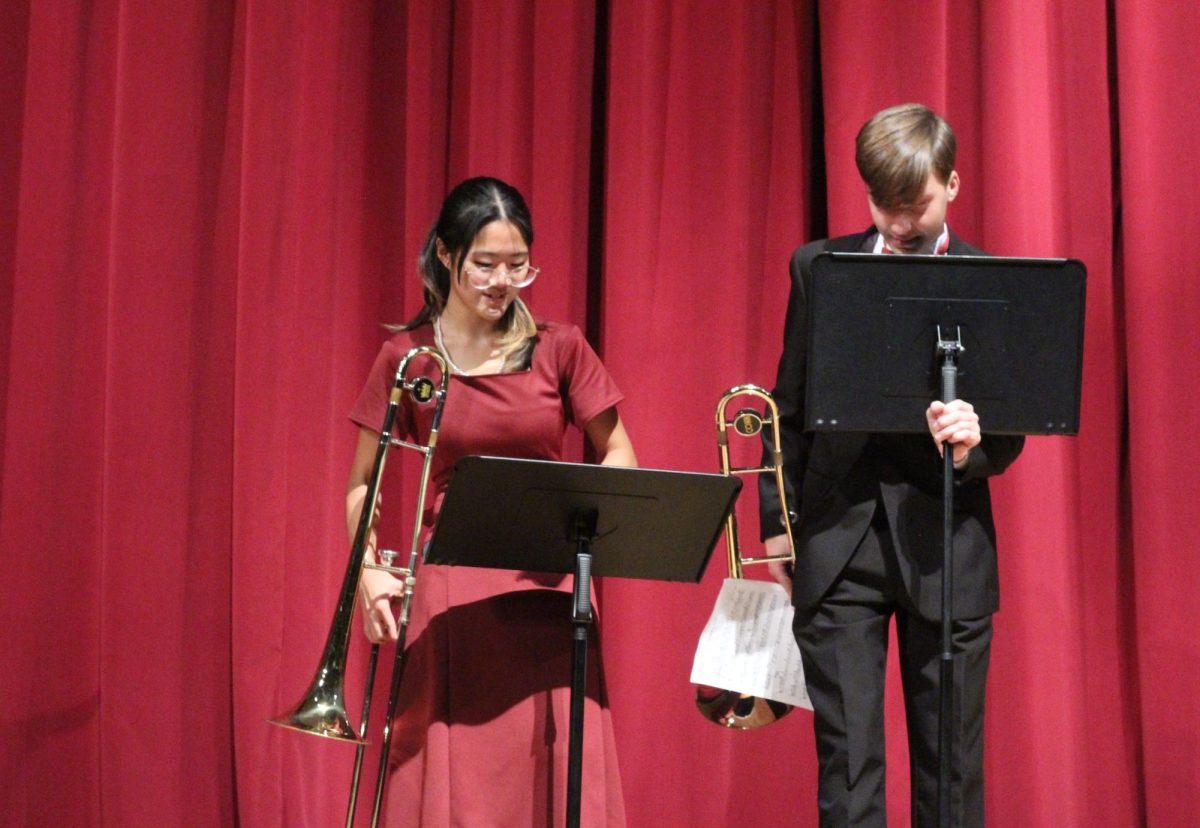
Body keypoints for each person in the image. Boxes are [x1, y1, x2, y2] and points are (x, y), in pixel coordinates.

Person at [758, 104, 1025, 826]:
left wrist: (976, 439)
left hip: (945, 545)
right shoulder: (819, 267)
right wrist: (777, 525)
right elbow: (787, 402)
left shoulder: (988, 278)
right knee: (847, 773)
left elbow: (1010, 433)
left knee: (952, 774)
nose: (900, 225)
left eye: (917, 205)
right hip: (837, 540)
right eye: (884, 206)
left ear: (954, 184)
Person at [348, 176, 635, 826]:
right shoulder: (407, 361)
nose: (501, 280)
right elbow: (362, 481)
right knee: (455, 791)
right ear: (446, 256)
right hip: (450, 599)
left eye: (516, 265)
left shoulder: (560, 347)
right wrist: (366, 571)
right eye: (484, 264)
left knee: (550, 777)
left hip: (547, 590)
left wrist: (588, 524)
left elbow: (620, 453)